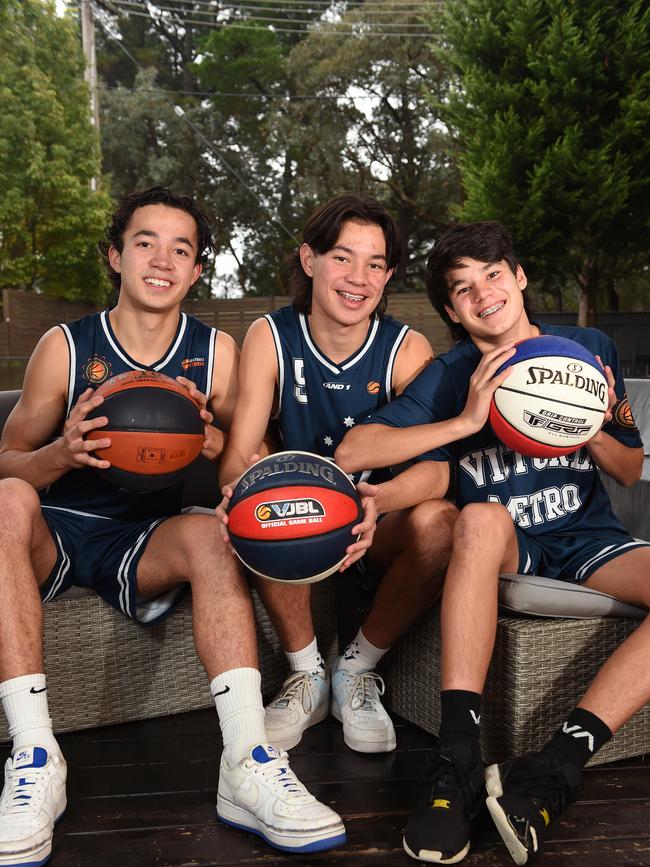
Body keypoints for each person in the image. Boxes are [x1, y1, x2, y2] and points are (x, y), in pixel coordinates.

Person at [0, 186, 346, 866]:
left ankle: (247, 761)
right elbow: (7, 461)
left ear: (195, 271)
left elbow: (248, 474)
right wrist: (60, 453)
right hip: (59, 529)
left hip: (148, 538)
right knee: (8, 499)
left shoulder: (216, 354)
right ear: (116, 256)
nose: (162, 259)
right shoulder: (64, 348)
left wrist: (212, 439)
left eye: (180, 248)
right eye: (145, 242)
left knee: (217, 531)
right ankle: (36, 759)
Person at [335, 221, 649, 865]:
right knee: (476, 518)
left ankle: (553, 767)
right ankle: (457, 762)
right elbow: (353, 449)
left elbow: (626, 466)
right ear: (452, 309)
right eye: (463, 288)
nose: (483, 295)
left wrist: (577, 416)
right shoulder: (452, 374)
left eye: (493, 276)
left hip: (586, 537)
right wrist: (469, 420)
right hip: (504, 540)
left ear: (519, 276)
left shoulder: (588, 349)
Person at [219, 194, 457, 758]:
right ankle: (309, 676)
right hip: (295, 520)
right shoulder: (269, 336)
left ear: (389, 275)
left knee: (443, 521)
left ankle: (356, 668)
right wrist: (240, 483)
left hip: (371, 526)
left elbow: (440, 470)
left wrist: (381, 501)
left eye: (375, 264)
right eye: (343, 258)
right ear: (309, 260)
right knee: (264, 490)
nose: (359, 278)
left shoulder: (406, 349)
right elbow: (237, 451)